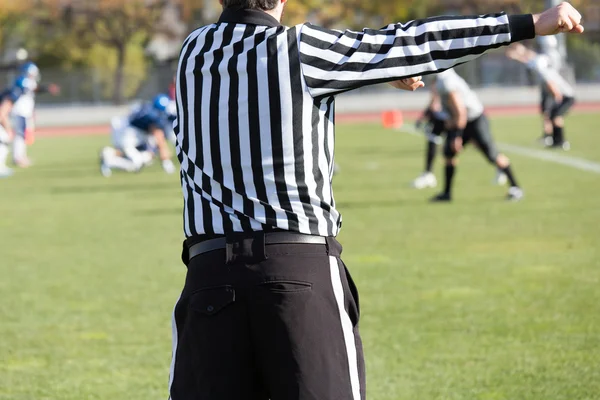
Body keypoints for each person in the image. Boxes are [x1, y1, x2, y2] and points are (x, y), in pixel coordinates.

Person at [169, 1, 583, 399]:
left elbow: (252, 85)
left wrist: (364, 72)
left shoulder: (193, 53)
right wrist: (531, 23)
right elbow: (414, 41)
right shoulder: (300, 48)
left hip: (209, 277)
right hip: (296, 268)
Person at [429, 69, 523, 202]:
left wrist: (457, 136)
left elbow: (460, 111)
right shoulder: (440, 78)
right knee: (449, 154)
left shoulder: (446, 81)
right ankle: (446, 193)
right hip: (461, 120)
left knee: (492, 155)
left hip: (474, 120)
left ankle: (516, 188)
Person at [411, 87, 507, 189]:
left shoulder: (447, 81)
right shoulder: (439, 80)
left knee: (480, 147)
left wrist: (456, 135)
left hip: (467, 119)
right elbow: (435, 99)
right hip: (449, 117)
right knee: (439, 144)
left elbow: (455, 108)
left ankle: (505, 174)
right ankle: (432, 177)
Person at [506, 42, 575, 150]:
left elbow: (552, 85)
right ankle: (556, 141)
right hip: (561, 95)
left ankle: (561, 141)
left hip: (565, 96)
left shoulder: (541, 69)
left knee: (555, 116)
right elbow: (528, 60)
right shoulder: (540, 66)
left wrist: (557, 99)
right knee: (552, 116)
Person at [99, 94, 175, 177]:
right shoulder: (154, 115)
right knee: (136, 164)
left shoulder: (147, 107)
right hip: (130, 135)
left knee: (148, 155)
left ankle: (110, 153)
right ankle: (109, 161)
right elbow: (157, 134)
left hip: (127, 131)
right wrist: (164, 153)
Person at [11, 62, 60, 168]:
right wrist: (47, 88)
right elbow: (34, 88)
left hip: (25, 112)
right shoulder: (22, 80)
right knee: (20, 135)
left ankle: (21, 156)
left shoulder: (28, 81)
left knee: (24, 135)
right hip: (20, 111)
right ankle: (17, 157)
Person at [0, 80, 24, 178]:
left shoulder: (10, 91)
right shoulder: (15, 93)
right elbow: (2, 112)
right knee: (4, 139)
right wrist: (8, 129)